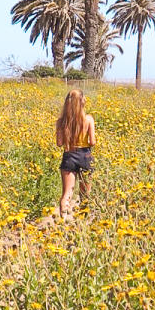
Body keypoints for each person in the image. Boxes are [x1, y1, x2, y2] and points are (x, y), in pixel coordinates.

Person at [55, 88, 96, 217]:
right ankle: (83, 223)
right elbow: (93, 141)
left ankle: (62, 222)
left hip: (69, 156)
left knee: (67, 193)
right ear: (82, 102)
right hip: (85, 156)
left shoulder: (61, 121)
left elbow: (59, 143)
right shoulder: (89, 119)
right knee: (85, 193)